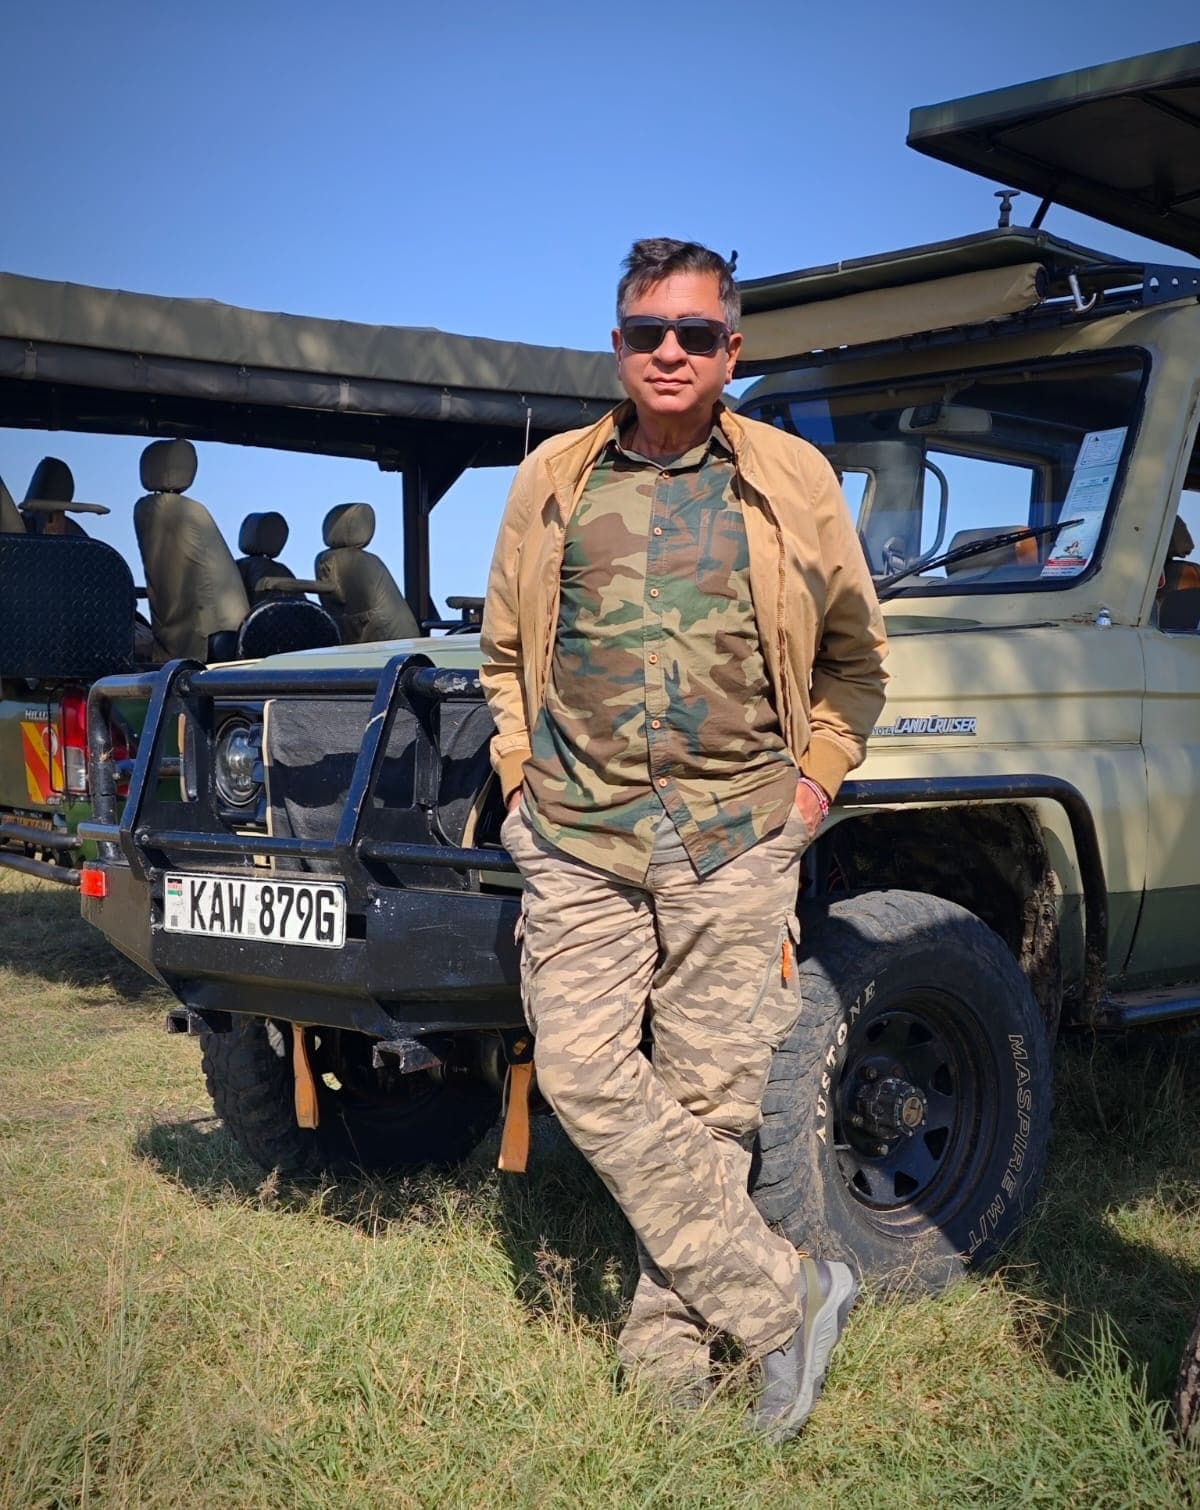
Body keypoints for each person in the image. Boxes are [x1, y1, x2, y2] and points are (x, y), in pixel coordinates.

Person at [480, 238, 888, 1439]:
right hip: (578, 830)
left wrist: (811, 794)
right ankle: (787, 1299)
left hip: (736, 833)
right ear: (617, 344)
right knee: (588, 1074)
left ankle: (667, 1352)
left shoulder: (792, 478)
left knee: (709, 1105)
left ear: (732, 349)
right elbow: (506, 652)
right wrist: (517, 778)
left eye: (696, 334)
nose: (670, 351)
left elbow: (858, 662)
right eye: (647, 330)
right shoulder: (555, 476)